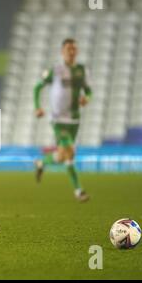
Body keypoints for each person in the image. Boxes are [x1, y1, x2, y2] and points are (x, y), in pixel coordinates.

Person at [33, 38, 92, 202]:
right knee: (70, 153)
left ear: (77, 51)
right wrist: (37, 107)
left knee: (62, 156)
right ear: (62, 52)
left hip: (74, 120)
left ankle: (42, 162)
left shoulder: (82, 70)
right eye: (68, 49)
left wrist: (87, 98)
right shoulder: (56, 69)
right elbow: (37, 87)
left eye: (74, 49)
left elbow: (88, 91)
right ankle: (79, 191)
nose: (71, 52)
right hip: (58, 120)